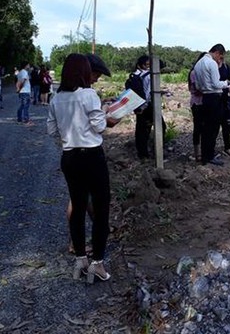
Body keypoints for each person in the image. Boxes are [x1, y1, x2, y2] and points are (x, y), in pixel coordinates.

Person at [47, 53, 118, 283]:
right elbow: (99, 127)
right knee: (101, 209)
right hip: (92, 157)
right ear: (83, 72)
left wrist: (71, 132)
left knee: (77, 208)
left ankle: (80, 261)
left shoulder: (56, 98)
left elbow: (51, 130)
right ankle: (97, 263)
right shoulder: (89, 95)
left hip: (69, 157)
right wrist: (106, 114)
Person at [193, 44, 230, 166]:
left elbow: (198, 86)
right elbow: (216, 84)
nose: (219, 59)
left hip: (205, 98)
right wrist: (226, 83)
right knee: (213, 129)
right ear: (217, 53)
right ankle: (209, 156)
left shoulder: (198, 63)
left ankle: (206, 155)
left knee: (206, 129)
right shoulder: (211, 63)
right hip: (214, 98)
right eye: (220, 56)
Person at [131, 55, 166, 160]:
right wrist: (145, 106)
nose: (150, 67)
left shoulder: (134, 75)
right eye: (147, 65)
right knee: (160, 127)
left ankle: (143, 154)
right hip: (147, 106)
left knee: (142, 130)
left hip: (139, 105)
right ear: (140, 65)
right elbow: (147, 93)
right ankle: (155, 151)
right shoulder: (148, 75)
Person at [187, 53, 205, 162]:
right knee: (198, 128)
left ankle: (202, 152)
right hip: (197, 103)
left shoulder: (201, 73)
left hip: (203, 103)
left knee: (204, 128)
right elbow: (197, 89)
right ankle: (197, 153)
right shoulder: (194, 73)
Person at [218, 59, 230, 156]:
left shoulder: (226, 67)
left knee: (227, 124)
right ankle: (210, 150)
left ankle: (227, 147)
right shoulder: (212, 66)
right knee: (214, 125)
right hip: (215, 99)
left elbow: (229, 82)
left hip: (225, 99)